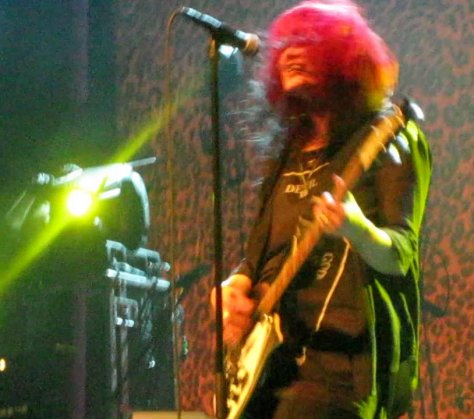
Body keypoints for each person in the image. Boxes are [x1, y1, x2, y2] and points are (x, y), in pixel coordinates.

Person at [215, 1, 432, 418]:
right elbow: (259, 253)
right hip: (268, 363)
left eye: (308, 43)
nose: (291, 53)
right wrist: (235, 285)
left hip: (340, 364)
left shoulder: (387, 137)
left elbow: (401, 255)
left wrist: (356, 228)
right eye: (286, 45)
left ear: (345, 60)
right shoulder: (290, 150)